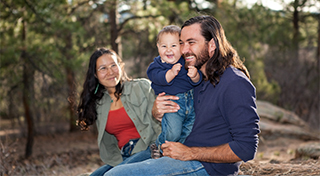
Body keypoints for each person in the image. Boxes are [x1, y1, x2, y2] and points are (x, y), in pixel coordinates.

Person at [104, 15, 260, 176]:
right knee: (103, 173)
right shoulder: (191, 77)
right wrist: (157, 112)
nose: (184, 50)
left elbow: (247, 148)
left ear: (212, 44)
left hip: (205, 166)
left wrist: (190, 153)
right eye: (181, 43)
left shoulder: (234, 83)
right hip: (174, 153)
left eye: (191, 43)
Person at [76, 48, 161, 176]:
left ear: (120, 66)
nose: (110, 72)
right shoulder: (99, 104)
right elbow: (110, 143)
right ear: (95, 74)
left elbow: (160, 122)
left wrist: (162, 150)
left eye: (113, 65)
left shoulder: (142, 87)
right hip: (124, 157)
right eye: (103, 68)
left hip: (148, 150)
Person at [147, 25, 202, 158]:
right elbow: (158, 78)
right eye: (164, 46)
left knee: (189, 131)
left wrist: (195, 76)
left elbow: (197, 82)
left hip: (191, 102)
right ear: (158, 47)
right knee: (173, 133)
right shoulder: (157, 65)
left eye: (173, 46)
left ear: (182, 48)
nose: (168, 50)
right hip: (173, 104)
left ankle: (173, 153)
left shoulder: (186, 62)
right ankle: (159, 146)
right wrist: (171, 73)